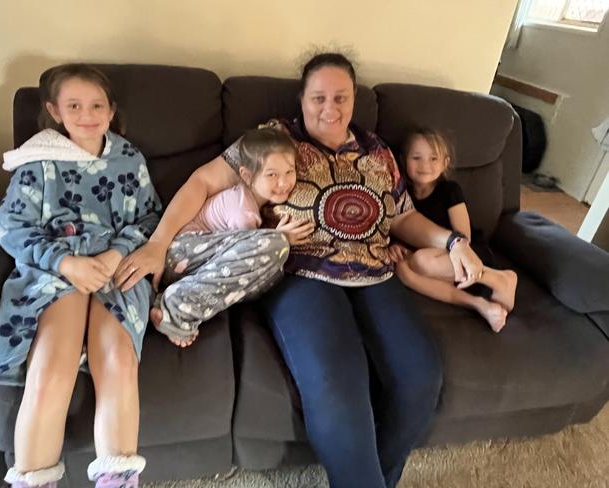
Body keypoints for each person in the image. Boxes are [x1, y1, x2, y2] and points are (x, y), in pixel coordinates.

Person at [115, 52, 484, 488]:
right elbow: (203, 182)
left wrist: (452, 240)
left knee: (422, 377)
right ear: (301, 99)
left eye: (341, 97)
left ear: (354, 100)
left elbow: (402, 217)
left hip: (376, 272)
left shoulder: (378, 151)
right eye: (319, 98)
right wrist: (159, 244)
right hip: (302, 271)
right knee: (338, 385)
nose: (330, 108)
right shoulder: (274, 138)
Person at [0, 64, 160, 488]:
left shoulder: (128, 158)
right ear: (54, 110)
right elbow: (11, 227)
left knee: (118, 358)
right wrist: (66, 264)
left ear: (111, 109)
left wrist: (118, 252)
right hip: (55, 267)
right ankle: (34, 480)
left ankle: (118, 479)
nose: (87, 114)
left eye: (97, 105)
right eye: (74, 105)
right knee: (51, 367)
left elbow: (150, 215)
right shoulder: (37, 161)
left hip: (116, 265)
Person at [151, 127, 309, 347]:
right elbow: (248, 256)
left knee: (271, 271)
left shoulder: (253, 206)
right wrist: (281, 237)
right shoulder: (242, 208)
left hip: (195, 262)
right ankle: (178, 307)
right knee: (275, 247)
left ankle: (174, 298)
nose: (283, 183)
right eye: (272, 175)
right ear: (246, 175)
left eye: (289, 172)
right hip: (182, 251)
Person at [393, 128, 518, 332]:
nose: (425, 165)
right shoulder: (402, 196)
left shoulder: (450, 190)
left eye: (434, 158)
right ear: (403, 160)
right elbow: (403, 228)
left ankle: (496, 278)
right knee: (402, 270)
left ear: (445, 163)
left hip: (470, 256)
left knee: (419, 261)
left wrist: (421, 255)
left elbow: (464, 238)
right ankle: (480, 305)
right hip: (446, 272)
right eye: (417, 158)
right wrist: (398, 245)